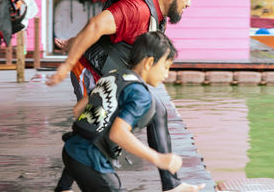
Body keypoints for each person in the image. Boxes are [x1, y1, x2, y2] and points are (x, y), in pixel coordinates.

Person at [49, 0, 195, 192]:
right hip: (89, 69)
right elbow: (96, 25)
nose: (189, 4)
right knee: (95, 126)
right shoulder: (137, 9)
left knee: (158, 110)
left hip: (112, 74)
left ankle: (171, 184)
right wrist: (67, 63)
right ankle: (64, 186)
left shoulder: (157, 16)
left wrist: (72, 41)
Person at [62, 31, 205, 192]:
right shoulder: (140, 93)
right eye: (165, 68)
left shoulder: (113, 75)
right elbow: (118, 134)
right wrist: (158, 158)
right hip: (91, 160)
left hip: (70, 152)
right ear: (149, 63)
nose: (166, 75)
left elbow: (78, 110)